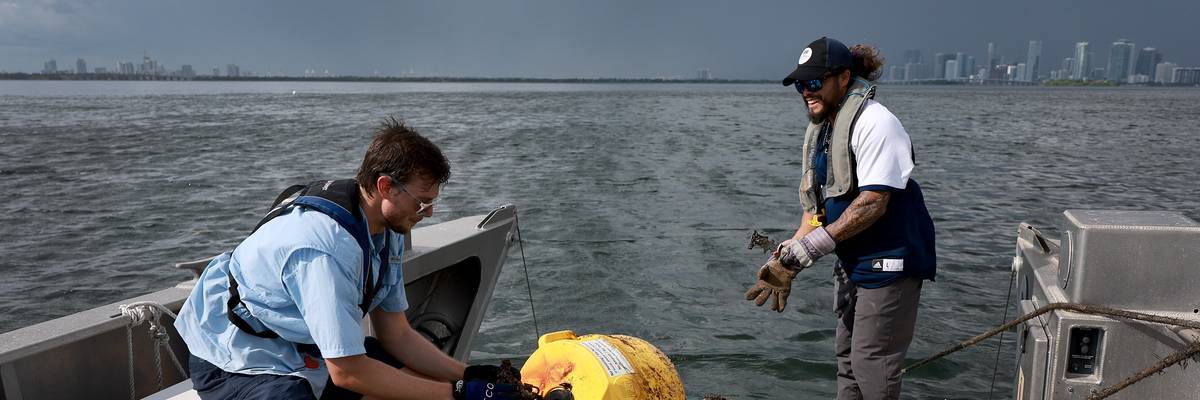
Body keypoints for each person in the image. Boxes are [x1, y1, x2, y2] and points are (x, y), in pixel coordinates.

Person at [175, 118, 520, 400]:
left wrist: (468, 375)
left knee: (415, 376)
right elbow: (348, 372)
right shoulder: (325, 251)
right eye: (421, 202)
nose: (428, 213)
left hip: (298, 345)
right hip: (232, 356)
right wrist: (456, 394)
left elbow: (396, 334)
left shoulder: (386, 228)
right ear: (385, 187)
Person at [744, 37, 936, 400]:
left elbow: (873, 203)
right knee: (847, 360)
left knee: (870, 361)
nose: (806, 92)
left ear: (844, 78)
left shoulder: (876, 123)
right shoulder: (828, 131)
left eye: (815, 82)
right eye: (801, 84)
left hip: (890, 261)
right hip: (853, 262)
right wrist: (789, 253)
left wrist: (811, 249)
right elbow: (817, 210)